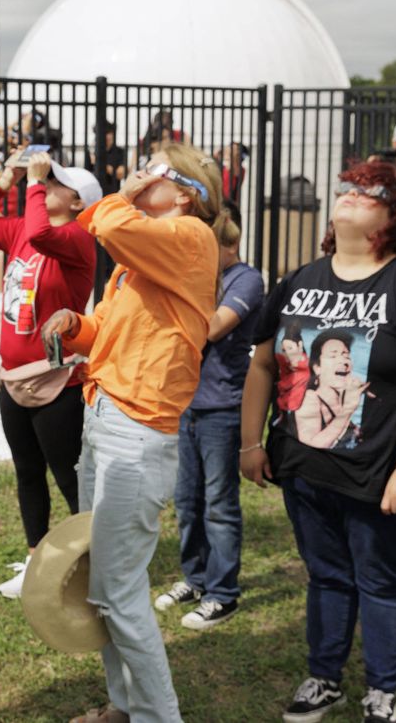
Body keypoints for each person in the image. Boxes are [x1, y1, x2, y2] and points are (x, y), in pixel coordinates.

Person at [242, 161, 396, 723]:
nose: (353, 195)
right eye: (348, 188)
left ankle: (382, 691)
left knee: (382, 582)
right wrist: (250, 443)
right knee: (327, 576)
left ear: (395, 214)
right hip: (302, 465)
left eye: (371, 191)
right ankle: (324, 678)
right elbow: (264, 365)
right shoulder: (298, 279)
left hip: (380, 475)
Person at [41, 143, 227, 723]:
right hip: (108, 416)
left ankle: (154, 716)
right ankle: (125, 707)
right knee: (107, 582)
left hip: (134, 430)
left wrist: (120, 192)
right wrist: (76, 329)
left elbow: (106, 219)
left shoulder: (191, 238)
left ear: (186, 193)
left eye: (155, 170)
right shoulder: (143, 256)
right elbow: (112, 334)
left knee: (118, 590)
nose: (140, 176)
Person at [0, 146, 100, 598]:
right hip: (13, 375)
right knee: (28, 470)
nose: (44, 184)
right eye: (47, 181)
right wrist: (5, 179)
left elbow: (43, 233)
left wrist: (37, 184)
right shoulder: (25, 228)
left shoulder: (78, 239)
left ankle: (97, 558)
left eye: (58, 183)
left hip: (56, 376)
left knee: (67, 474)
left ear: (78, 202)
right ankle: (35, 555)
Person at [155, 201, 264, 630]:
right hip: (187, 405)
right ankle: (194, 579)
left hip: (221, 409)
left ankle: (223, 593)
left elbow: (213, 327)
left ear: (229, 245)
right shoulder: (199, 279)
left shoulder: (247, 279)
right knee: (187, 501)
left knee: (219, 503)